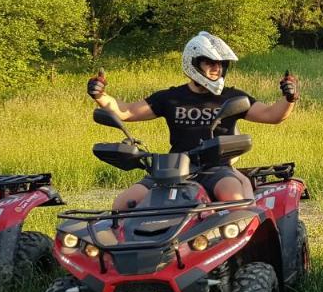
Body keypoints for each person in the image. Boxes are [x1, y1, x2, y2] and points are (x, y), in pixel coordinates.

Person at [87, 31, 298, 211]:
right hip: (173, 168)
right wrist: (100, 95)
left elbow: (272, 115)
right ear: (193, 62)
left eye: (221, 64)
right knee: (122, 204)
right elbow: (127, 112)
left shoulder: (233, 97)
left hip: (216, 168)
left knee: (233, 200)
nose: (217, 68)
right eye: (210, 62)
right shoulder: (170, 97)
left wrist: (289, 98)